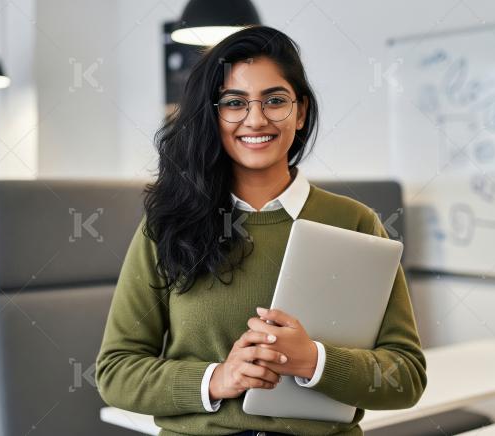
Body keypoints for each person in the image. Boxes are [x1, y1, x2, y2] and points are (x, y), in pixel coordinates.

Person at [96, 25, 426, 436]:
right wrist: (218, 378)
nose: (256, 118)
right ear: (213, 115)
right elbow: (115, 372)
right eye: (234, 103)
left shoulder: (356, 223)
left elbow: (406, 377)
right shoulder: (167, 223)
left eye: (275, 100)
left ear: (300, 111)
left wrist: (313, 360)